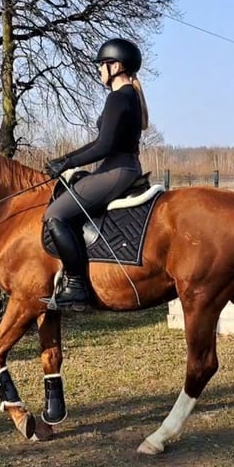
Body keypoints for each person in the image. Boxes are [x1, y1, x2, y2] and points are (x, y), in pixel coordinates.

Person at [43, 37, 149, 311]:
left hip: (116, 170)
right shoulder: (129, 96)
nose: (99, 71)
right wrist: (66, 160)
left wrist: (66, 164)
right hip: (120, 167)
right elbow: (103, 141)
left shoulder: (118, 97)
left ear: (117, 66)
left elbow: (104, 146)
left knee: (55, 214)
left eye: (102, 65)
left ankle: (76, 285)